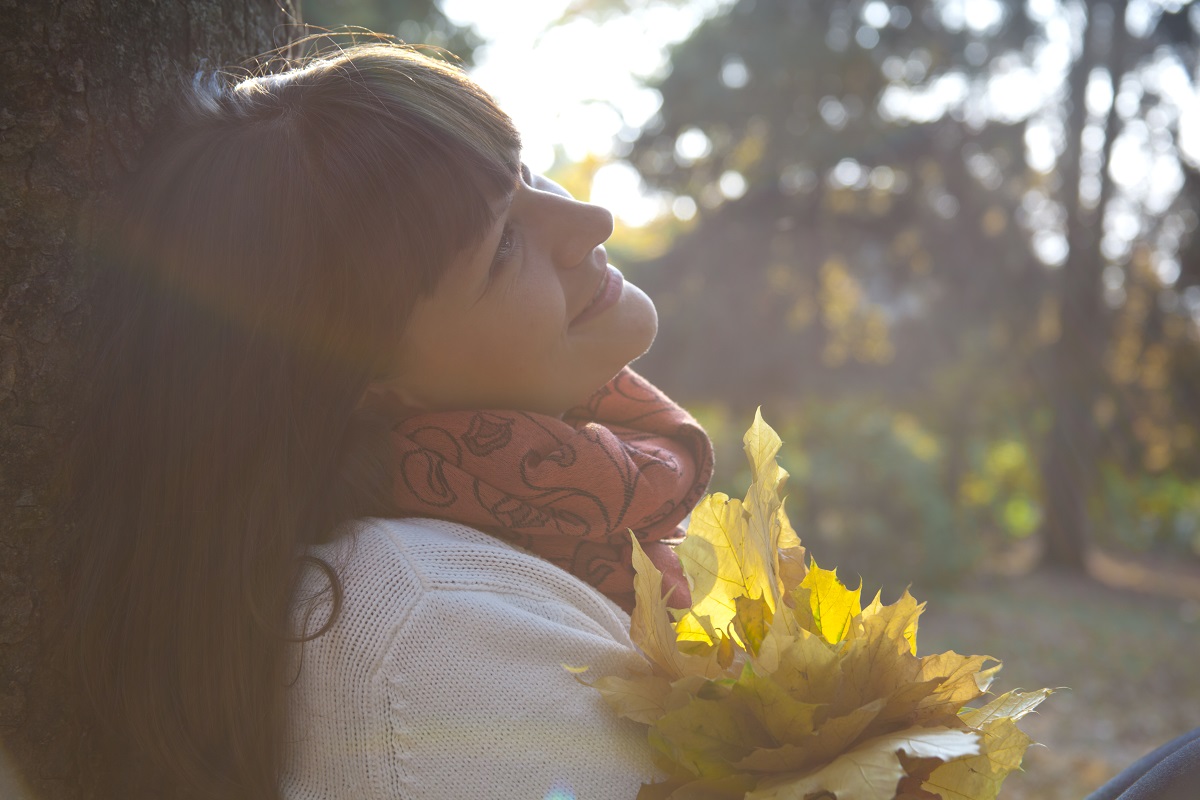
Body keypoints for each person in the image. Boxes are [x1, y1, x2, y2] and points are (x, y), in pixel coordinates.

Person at [65, 43, 712, 800]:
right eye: (503, 245)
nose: (591, 219)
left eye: (529, 174)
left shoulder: (565, 531)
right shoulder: (430, 628)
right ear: (363, 379)